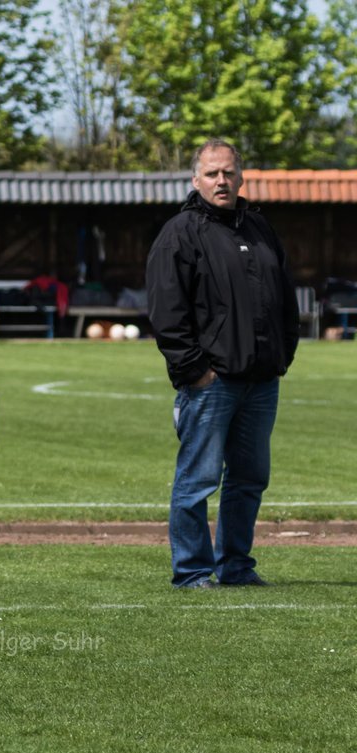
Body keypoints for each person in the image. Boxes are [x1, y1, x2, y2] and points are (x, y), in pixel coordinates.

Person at [145, 138, 299, 589]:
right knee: (197, 482)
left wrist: (282, 355)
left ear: (241, 176)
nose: (221, 180)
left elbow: (285, 297)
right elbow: (166, 310)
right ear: (196, 179)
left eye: (229, 172)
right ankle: (192, 571)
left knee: (249, 480)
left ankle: (235, 566)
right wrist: (194, 369)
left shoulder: (260, 229)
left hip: (261, 380)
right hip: (211, 383)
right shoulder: (181, 231)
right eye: (212, 173)